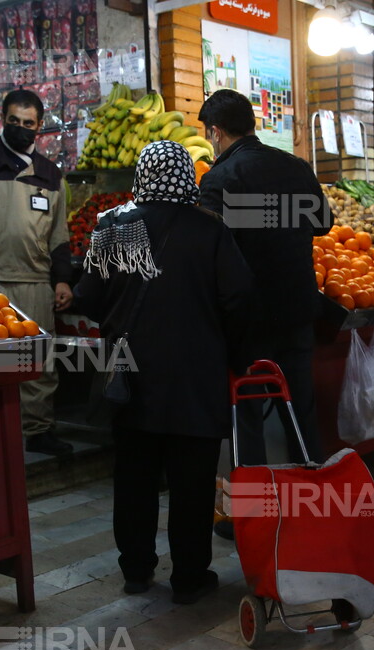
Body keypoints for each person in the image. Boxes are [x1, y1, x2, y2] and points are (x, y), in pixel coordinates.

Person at [75, 142, 253, 602]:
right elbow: (239, 301)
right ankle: (189, 577)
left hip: (129, 374)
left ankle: (136, 569)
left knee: (134, 478)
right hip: (195, 377)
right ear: (185, 177)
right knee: (191, 482)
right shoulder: (210, 230)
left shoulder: (113, 227)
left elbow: (88, 298)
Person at [198, 88, 332, 466]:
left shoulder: (220, 177)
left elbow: (211, 247)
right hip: (297, 308)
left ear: (216, 132)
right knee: (301, 409)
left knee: (248, 414)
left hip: (249, 317)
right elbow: (322, 223)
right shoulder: (296, 166)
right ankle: (312, 492)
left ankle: (254, 513)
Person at [0, 89, 74, 457]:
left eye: (28, 123)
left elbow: (59, 235)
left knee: (39, 360)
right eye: (14, 121)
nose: (21, 128)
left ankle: (38, 430)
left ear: (39, 126)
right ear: (2, 119)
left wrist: (62, 279)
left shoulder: (52, 175)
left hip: (36, 280)